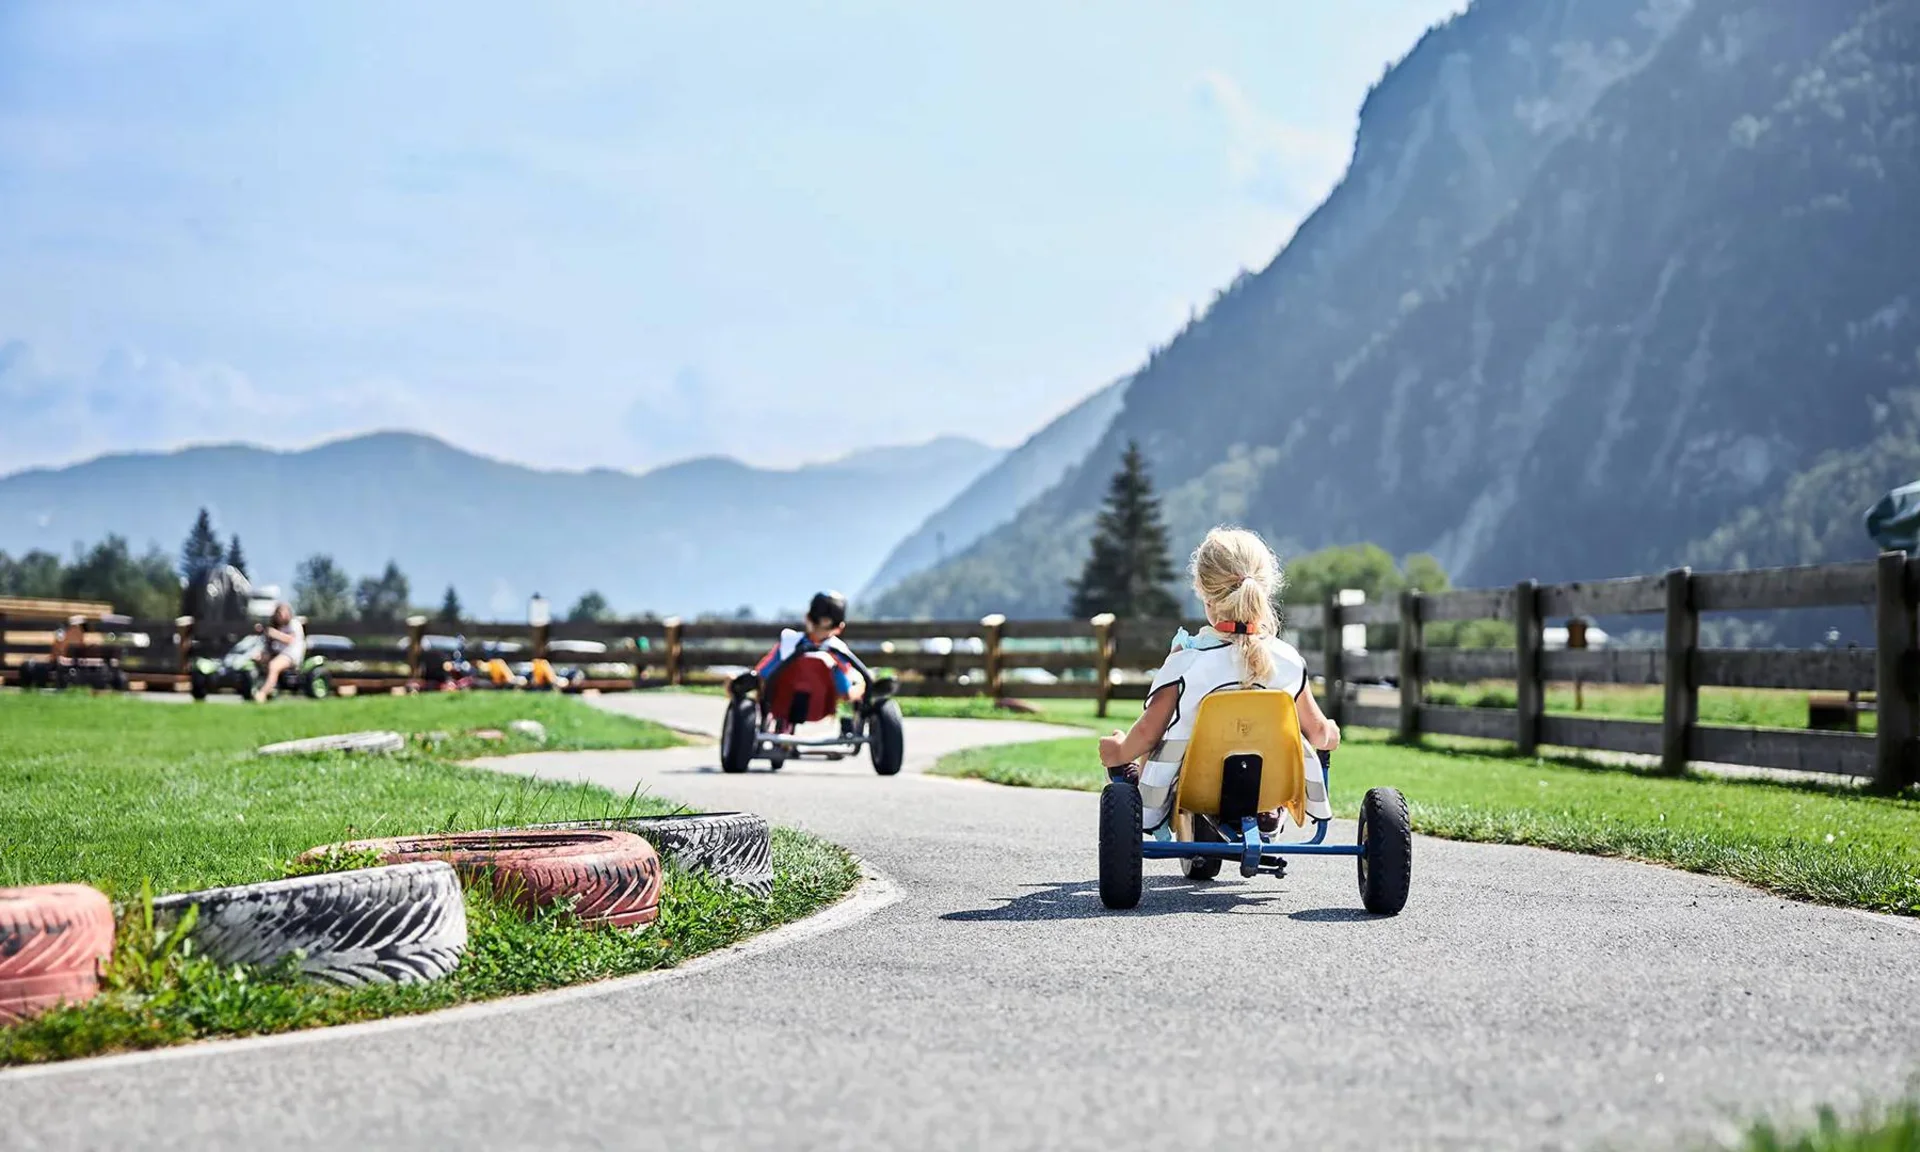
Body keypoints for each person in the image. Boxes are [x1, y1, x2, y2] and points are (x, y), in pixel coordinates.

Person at [1097, 526, 1340, 839]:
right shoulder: (1288, 660)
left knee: (1165, 739)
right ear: (1264, 590)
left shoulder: (1187, 660)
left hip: (1194, 786)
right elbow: (1318, 733)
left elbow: (1148, 731)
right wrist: (1330, 733)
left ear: (1203, 592)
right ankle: (1266, 809)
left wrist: (1119, 753)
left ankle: (1142, 792)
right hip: (1272, 785)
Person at [750, 590, 874, 706]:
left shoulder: (789, 642)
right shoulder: (839, 651)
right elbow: (845, 692)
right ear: (840, 627)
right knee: (859, 680)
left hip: (782, 705)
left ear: (808, 618)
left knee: (761, 678)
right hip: (821, 708)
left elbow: (762, 674)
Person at [254, 602, 305, 702]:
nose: (279, 616)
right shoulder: (279, 626)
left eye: (281, 613)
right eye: (277, 614)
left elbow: (290, 639)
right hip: (278, 652)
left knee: (274, 665)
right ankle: (266, 684)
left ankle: (263, 694)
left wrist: (274, 633)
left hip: (291, 655)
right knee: (258, 658)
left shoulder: (294, 624)